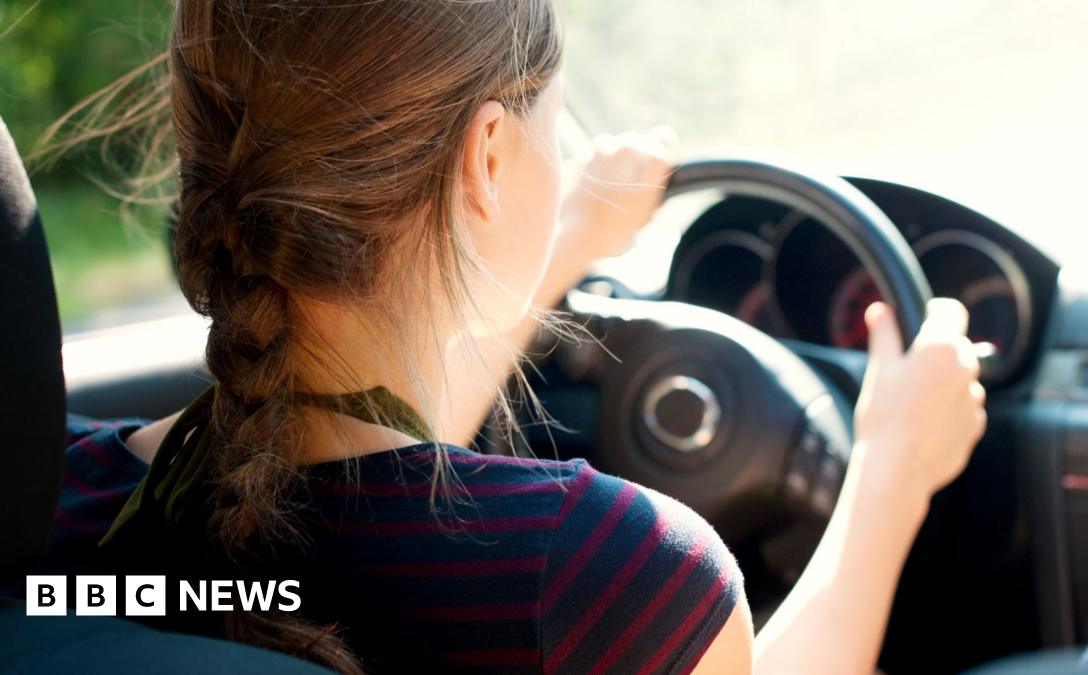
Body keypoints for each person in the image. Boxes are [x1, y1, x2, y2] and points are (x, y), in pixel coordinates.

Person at [39, 1, 985, 673]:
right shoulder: (596, 575)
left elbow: (368, 476)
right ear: (488, 156)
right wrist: (892, 469)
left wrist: (567, 238)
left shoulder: (52, 514)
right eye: (550, 122)